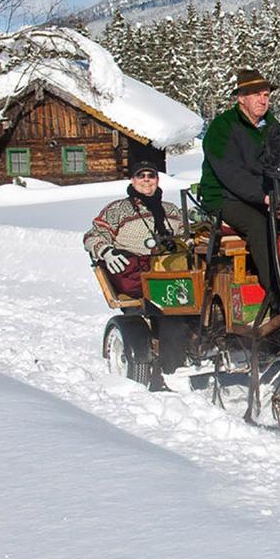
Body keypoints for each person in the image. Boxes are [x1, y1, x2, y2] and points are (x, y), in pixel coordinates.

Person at [200, 68, 280, 303]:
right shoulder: (222, 128)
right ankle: (277, 291)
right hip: (224, 196)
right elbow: (231, 174)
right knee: (261, 224)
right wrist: (265, 196)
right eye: (256, 95)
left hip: (265, 194)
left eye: (266, 95)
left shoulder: (274, 128)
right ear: (241, 98)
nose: (263, 100)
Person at [84, 158, 187, 389]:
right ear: (132, 180)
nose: (146, 180)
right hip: (133, 272)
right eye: (141, 176)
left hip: (169, 271)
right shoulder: (118, 209)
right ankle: (171, 371)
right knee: (171, 312)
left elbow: (187, 237)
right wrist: (107, 252)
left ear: (158, 180)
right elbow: (93, 235)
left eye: (151, 176)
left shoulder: (171, 210)